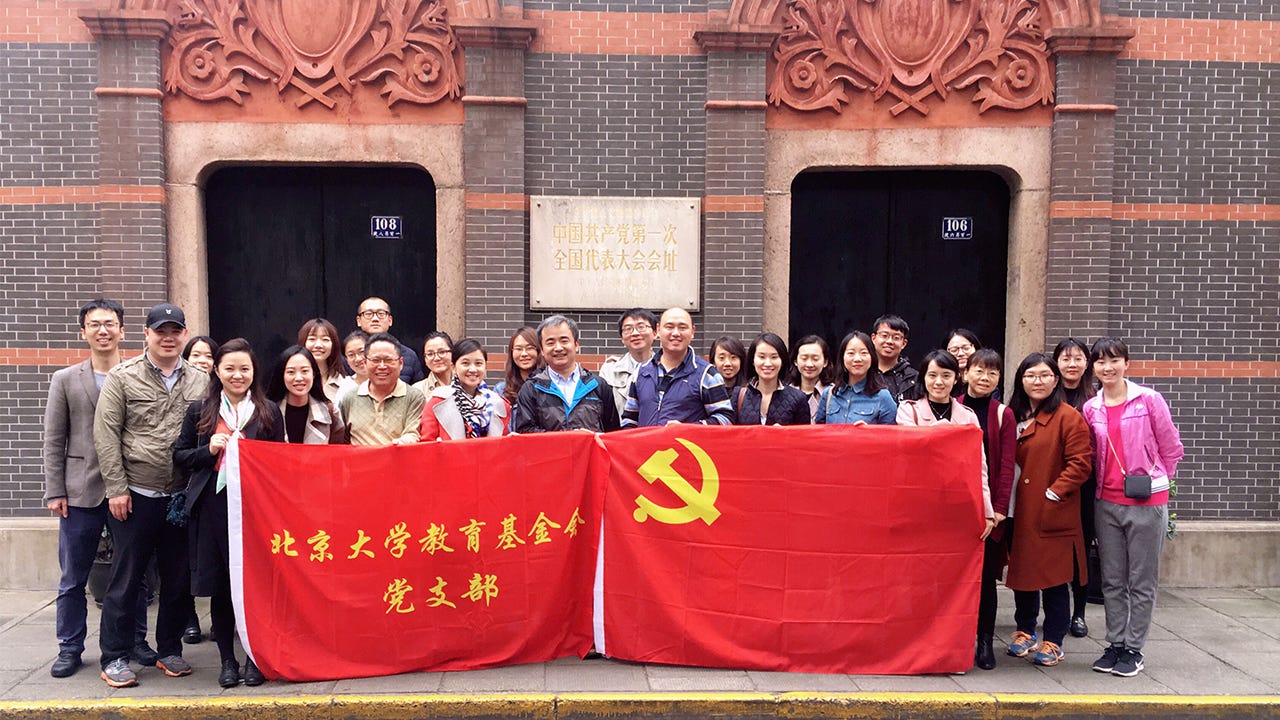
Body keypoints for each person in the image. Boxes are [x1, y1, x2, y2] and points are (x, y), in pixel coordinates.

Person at [93, 303, 209, 688]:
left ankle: (169, 650)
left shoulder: (201, 380)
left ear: (184, 334)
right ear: (146, 334)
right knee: (127, 578)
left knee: (177, 578)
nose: (168, 338)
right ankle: (115, 655)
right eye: (161, 331)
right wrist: (116, 489)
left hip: (180, 497)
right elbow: (106, 435)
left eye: (175, 331)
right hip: (136, 494)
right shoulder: (123, 377)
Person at [43, 299, 149, 678]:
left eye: (110, 324)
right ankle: (70, 647)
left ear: (122, 330)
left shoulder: (137, 375)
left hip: (129, 488)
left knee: (133, 571)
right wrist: (55, 491)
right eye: (95, 324)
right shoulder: (65, 379)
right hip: (80, 491)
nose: (103, 331)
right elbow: (54, 439)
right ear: (83, 332)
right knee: (73, 576)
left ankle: (136, 640)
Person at [173, 338, 284, 688]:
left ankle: (254, 658)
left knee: (255, 585)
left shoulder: (267, 412)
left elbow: (281, 461)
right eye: (230, 368)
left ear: (254, 372)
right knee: (222, 585)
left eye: (244, 369)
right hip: (213, 507)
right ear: (217, 371)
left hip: (255, 509)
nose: (238, 375)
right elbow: (180, 456)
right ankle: (227, 660)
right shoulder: (200, 411)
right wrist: (208, 450)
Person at [1083, 338, 1184, 678]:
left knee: (1141, 580)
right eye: (1100, 361)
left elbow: (1171, 446)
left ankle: (1134, 649)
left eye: (1114, 360)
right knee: (1112, 579)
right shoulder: (1091, 407)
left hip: (1146, 503)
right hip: (1106, 502)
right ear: (1094, 367)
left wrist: (1157, 482)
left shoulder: (1149, 400)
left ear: (1126, 363)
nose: (1107, 367)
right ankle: (1115, 644)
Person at [1004, 352, 1092, 668]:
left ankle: (1054, 640)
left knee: (1054, 578)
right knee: (1023, 573)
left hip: (1050, 510)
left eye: (1044, 375)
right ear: (1021, 380)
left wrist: (1054, 492)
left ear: (1055, 380)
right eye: (1030, 375)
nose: (1037, 381)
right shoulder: (1011, 413)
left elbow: (1081, 463)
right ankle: (1025, 630)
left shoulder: (1068, 417)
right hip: (1015, 507)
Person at [896, 349, 995, 538]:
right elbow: (913, 445)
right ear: (923, 377)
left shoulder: (968, 416)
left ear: (957, 378)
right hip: (918, 500)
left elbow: (979, 467)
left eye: (946, 375)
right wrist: (947, 431)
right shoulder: (908, 410)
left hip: (957, 501)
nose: (939, 382)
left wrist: (987, 511)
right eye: (932, 375)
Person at [958, 348, 1017, 670]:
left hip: (988, 512)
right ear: (966, 373)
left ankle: (984, 641)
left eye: (992, 373)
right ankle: (959, 638)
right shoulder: (955, 407)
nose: (985, 378)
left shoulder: (1002, 414)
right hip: (957, 509)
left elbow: (1006, 466)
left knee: (985, 581)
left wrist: (998, 509)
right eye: (979, 370)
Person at [621, 308, 734, 427]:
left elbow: (725, 418)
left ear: (692, 332)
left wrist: (688, 429)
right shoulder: (641, 371)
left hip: (686, 440)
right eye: (669, 327)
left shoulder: (707, 374)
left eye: (682, 327)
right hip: (647, 440)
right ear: (658, 330)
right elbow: (629, 419)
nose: (675, 333)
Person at [1053, 336, 1097, 639]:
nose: (1072, 364)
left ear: (1086, 363)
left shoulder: (1095, 399)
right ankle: (1052, 612)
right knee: (1051, 549)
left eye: (1078, 358)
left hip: (1085, 486)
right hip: (1050, 482)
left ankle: (1079, 613)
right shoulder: (1046, 395)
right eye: (1065, 358)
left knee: (1080, 548)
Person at [516, 316, 620, 433]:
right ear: (542, 350)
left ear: (576, 345)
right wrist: (566, 438)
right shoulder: (531, 389)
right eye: (550, 343)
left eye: (564, 341)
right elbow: (525, 432)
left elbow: (613, 433)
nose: (558, 348)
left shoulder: (598, 386)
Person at [339, 333, 425, 446]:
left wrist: (400, 443)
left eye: (388, 360)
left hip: (399, 456)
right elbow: (342, 441)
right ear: (365, 363)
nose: (382, 366)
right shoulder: (349, 398)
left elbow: (413, 433)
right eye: (375, 360)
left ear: (401, 363)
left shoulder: (414, 397)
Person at [420, 338, 510, 440]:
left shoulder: (499, 404)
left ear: (485, 367)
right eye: (465, 363)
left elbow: (504, 445)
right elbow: (427, 443)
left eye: (478, 363)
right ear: (453, 367)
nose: (473, 369)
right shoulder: (437, 402)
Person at [267, 346, 347, 445]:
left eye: (305, 371)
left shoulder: (329, 412)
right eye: (291, 372)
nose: (299, 378)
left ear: (313, 373)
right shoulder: (268, 414)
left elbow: (338, 450)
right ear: (282, 375)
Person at [814, 331, 897, 425]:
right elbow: (819, 431)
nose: (857, 359)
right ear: (842, 358)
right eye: (851, 353)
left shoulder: (883, 397)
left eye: (863, 353)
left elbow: (891, 433)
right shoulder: (829, 394)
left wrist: (870, 431)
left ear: (872, 357)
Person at [732, 333, 810, 426]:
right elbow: (730, 432)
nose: (768, 363)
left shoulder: (798, 398)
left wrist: (785, 433)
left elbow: (804, 433)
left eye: (774, 357)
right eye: (762, 357)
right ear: (753, 360)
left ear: (782, 361)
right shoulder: (738, 395)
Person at [598, 308, 658, 418]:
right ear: (622, 338)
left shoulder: (666, 369)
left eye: (641, 327)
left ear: (655, 332)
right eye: (628, 329)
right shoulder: (610, 370)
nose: (635, 333)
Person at [355, 297, 424, 384]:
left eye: (381, 314)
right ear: (359, 321)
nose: (375, 319)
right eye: (368, 314)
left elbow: (418, 388)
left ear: (390, 320)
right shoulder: (351, 356)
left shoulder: (409, 355)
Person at [297, 319, 355, 403]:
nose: (318, 345)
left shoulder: (347, 384)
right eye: (312, 339)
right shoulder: (295, 380)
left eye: (325, 339)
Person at [494, 327, 541, 429]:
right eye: (518, 349)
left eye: (529, 348)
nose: (524, 354)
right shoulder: (501, 390)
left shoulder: (548, 386)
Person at [785, 334, 834, 422]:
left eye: (815, 359)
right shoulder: (784, 393)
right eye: (804, 358)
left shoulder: (833, 393)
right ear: (795, 361)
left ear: (825, 362)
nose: (809, 364)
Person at [871, 314, 919, 402]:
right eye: (884, 335)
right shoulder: (863, 372)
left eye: (896, 338)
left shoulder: (913, 378)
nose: (889, 341)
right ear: (873, 338)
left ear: (904, 343)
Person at [946, 329, 991, 399]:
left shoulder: (985, 381)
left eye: (966, 348)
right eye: (954, 350)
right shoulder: (943, 382)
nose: (960, 353)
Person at [338, 330, 370, 405]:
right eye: (351, 355)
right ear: (347, 360)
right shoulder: (346, 387)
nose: (358, 359)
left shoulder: (387, 380)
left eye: (362, 352)